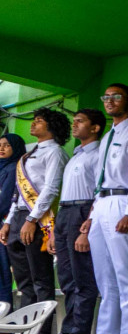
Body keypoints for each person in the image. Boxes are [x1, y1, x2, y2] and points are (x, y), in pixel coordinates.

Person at [79, 83, 128, 334]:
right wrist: (90, 215)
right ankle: (107, 331)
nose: (109, 101)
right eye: (106, 97)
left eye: (116, 97)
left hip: (122, 201)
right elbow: (99, 180)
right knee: (103, 271)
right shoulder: (107, 137)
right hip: (101, 203)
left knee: (124, 268)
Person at [37, 110, 104, 334]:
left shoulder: (98, 155)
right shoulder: (75, 155)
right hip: (65, 213)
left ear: (95, 128)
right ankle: (68, 328)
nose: (74, 126)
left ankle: (79, 330)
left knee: (81, 274)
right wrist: (55, 230)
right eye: (74, 121)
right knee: (66, 276)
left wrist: (88, 227)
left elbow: (99, 192)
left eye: (80, 122)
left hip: (83, 211)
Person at [1, 109, 67, 310]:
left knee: (40, 277)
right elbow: (17, 193)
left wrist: (32, 219)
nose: (33, 124)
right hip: (19, 216)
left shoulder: (55, 152)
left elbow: (51, 188)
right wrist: (8, 222)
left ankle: (42, 332)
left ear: (51, 126)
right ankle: (25, 326)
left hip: (39, 218)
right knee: (23, 280)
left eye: (39, 121)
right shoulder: (28, 155)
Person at [0, 133, 23, 308]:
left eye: (7, 145)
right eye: (0, 145)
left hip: (4, 224)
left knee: (2, 272)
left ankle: (4, 315)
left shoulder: (12, 168)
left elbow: (6, 199)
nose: (1, 148)